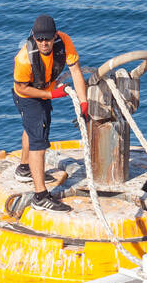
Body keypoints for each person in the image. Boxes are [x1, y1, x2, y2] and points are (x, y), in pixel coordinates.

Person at [12, 14, 89, 212]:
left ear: (55, 36)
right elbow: (21, 88)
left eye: (48, 38)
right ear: (34, 37)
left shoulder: (65, 42)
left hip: (45, 90)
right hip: (28, 95)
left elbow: (76, 72)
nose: (44, 43)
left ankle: (24, 169)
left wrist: (83, 103)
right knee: (39, 140)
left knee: (33, 128)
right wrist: (50, 94)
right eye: (40, 39)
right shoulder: (24, 58)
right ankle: (40, 196)